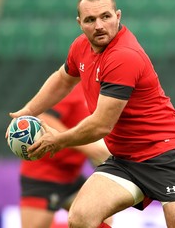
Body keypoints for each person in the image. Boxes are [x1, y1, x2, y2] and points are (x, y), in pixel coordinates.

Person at [8, 0, 175, 228]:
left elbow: (101, 125)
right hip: (125, 160)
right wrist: (28, 110)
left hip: (167, 155)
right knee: (81, 218)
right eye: (90, 20)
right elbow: (62, 79)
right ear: (80, 23)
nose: (99, 25)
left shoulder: (123, 56)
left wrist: (58, 140)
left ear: (118, 16)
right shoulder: (80, 47)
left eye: (105, 17)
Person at [19, 85, 112, 228]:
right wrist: (90, 149)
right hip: (44, 175)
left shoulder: (107, 95)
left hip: (72, 176)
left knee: (103, 215)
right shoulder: (73, 89)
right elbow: (45, 119)